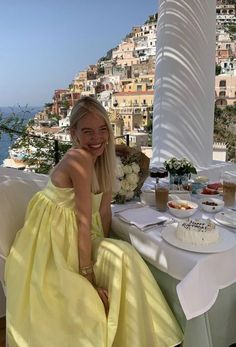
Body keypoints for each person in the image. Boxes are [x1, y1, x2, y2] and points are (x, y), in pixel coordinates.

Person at [5, 96, 183, 347]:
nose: (97, 138)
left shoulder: (104, 160)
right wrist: (89, 278)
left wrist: (104, 246)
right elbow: (84, 222)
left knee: (122, 254)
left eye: (103, 130)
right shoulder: (79, 160)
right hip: (52, 240)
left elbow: (104, 213)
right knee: (124, 255)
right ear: (74, 133)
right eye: (88, 131)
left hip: (76, 230)